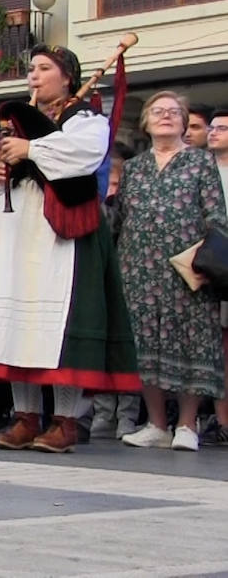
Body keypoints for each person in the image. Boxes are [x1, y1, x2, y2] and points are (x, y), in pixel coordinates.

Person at [0, 44, 140, 453]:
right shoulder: (11, 124)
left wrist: (31, 149)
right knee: (18, 326)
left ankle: (65, 421)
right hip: (14, 235)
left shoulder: (85, 120)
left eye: (44, 68)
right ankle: (25, 417)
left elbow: (85, 155)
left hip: (58, 237)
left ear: (67, 77)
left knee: (57, 328)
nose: (34, 75)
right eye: (30, 69)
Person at [118, 92, 226, 452]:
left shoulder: (201, 163)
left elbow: (216, 216)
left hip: (187, 270)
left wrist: (207, 260)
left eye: (174, 112)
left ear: (184, 122)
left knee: (192, 344)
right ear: (146, 121)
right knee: (146, 345)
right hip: (139, 269)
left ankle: (187, 424)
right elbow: (121, 219)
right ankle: (157, 424)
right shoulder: (134, 168)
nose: (166, 117)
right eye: (158, 111)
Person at [91, 141, 140, 439]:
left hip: (132, 277)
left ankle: (127, 414)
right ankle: (103, 410)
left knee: (127, 347)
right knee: (102, 347)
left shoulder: (131, 200)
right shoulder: (98, 202)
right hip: (102, 276)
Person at [205, 110, 228, 446]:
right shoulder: (200, 169)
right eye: (213, 127)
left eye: (222, 128)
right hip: (216, 265)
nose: (214, 133)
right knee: (220, 347)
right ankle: (223, 421)